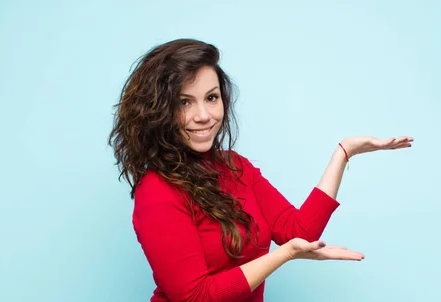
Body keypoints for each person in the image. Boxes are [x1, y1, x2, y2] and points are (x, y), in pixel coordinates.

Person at [108, 38, 413, 302]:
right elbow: (195, 297)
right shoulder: (156, 192)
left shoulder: (235, 167)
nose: (203, 115)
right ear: (158, 111)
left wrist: (343, 153)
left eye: (211, 98)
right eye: (184, 102)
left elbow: (299, 232)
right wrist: (283, 255)